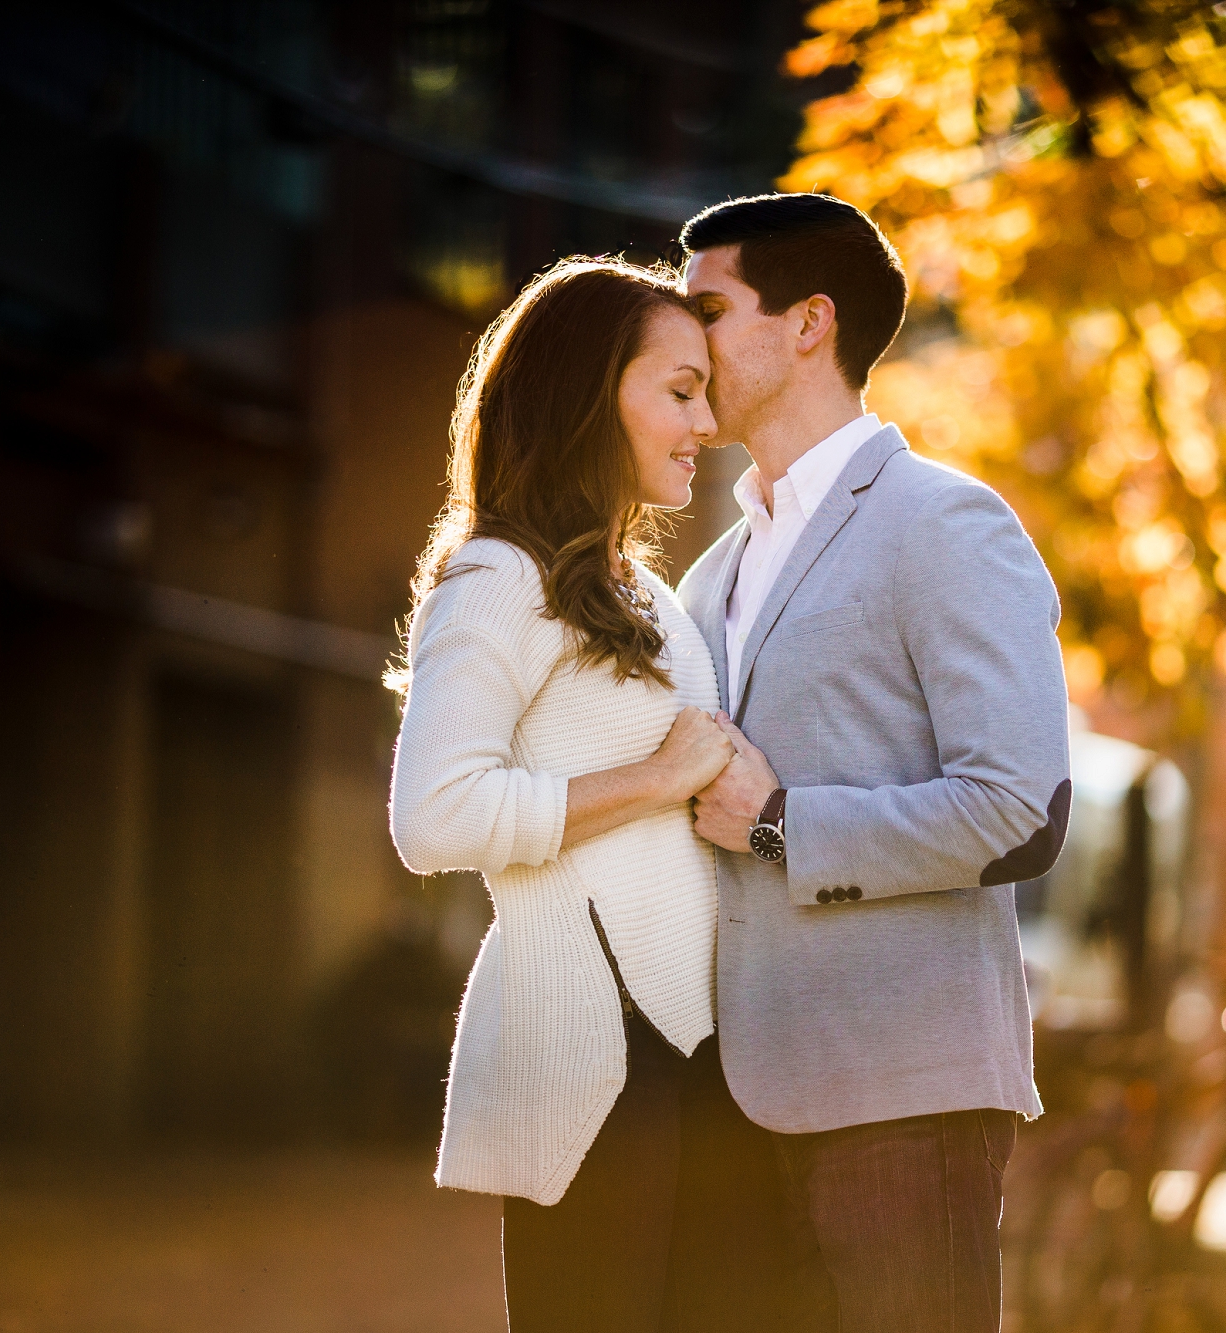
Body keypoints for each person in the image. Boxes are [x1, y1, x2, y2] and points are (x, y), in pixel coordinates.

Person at [676, 193, 1074, 1332]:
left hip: (904, 1102)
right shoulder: (709, 579)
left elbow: (1019, 811)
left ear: (809, 323)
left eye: (708, 306)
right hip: (731, 1113)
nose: (682, 337)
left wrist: (780, 822)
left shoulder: (944, 521)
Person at [387, 257, 786, 1332]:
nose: (705, 420)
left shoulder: (642, 593)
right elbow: (432, 817)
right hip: (592, 1049)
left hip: (695, 1054)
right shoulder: (497, 578)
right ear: (585, 393)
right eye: (678, 390)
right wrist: (655, 778)